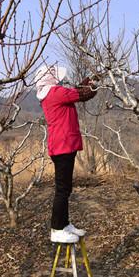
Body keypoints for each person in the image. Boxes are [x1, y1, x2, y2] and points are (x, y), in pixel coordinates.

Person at [35, 64, 98, 243]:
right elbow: (83, 94)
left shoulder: (49, 93)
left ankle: (64, 224)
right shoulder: (56, 92)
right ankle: (56, 229)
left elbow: (75, 91)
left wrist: (87, 80)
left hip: (61, 145)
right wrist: (94, 83)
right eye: (56, 77)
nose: (59, 79)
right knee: (62, 190)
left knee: (65, 188)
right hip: (63, 146)